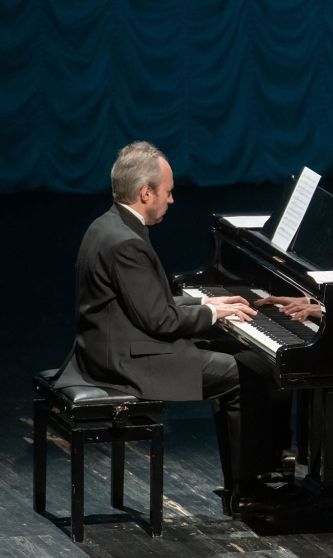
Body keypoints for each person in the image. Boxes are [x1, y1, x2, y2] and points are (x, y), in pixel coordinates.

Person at [54, 140, 278, 514]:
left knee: (244, 359)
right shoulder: (127, 243)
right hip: (125, 363)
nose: (172, 200)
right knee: (243, 374)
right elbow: (160, 320)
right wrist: (213, 315)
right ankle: (249, 491)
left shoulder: (107, 224)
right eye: (168, 192)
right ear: (146, 193)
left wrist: (207, 304)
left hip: (110, 347)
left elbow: (146, 304)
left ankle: (250, 479)